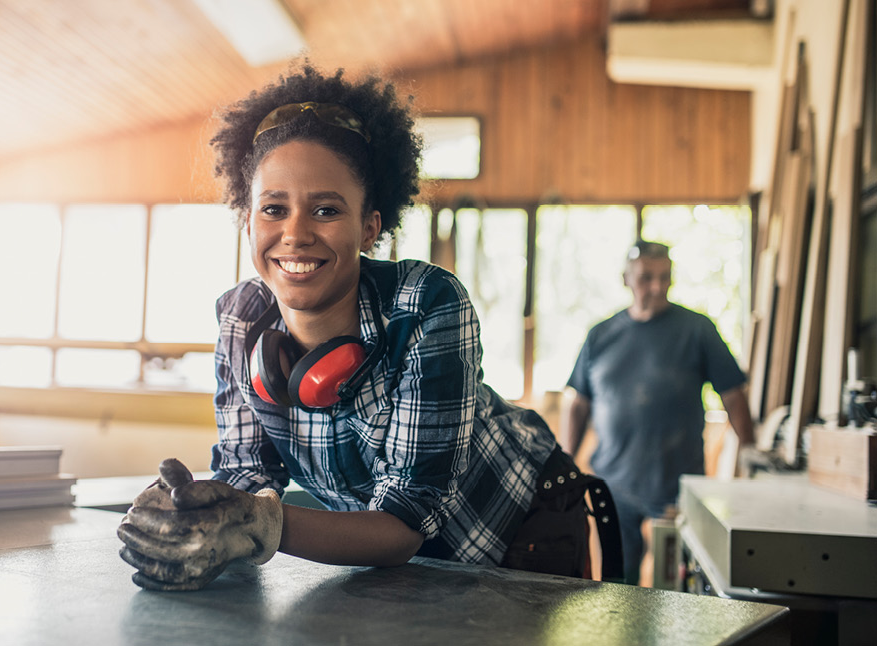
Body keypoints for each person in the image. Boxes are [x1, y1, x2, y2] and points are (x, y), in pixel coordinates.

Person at [117, 63, 621, 592]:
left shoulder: (428, 305)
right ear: (248, 223)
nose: (295, 234)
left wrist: (255, 522)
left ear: (369, 228)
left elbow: (404, 523)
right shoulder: (240, 320)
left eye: (327, 210)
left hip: (520, 527)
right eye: (273, 208)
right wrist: (197, 513)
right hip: (405, 567)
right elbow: (247, 476)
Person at [561, 239, 755, 586]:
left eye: (665, 276)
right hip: (614, 485)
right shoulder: (601, 335)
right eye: (647, 277)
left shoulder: (697, 330)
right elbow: (578, 403)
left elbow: (733, 395)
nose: (658, 286)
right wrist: (563, 462)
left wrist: (752, 453)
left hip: (677, 485)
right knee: (618, 583)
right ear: (626, 278)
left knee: (676, 585)